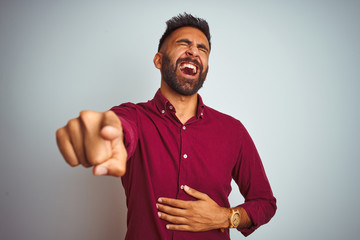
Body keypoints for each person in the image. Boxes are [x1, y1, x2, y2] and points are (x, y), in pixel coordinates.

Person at [56, 13, 277, 240]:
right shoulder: (134, 116)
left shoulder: (233, 131)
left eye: (203, 49)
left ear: (206, 67)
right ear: (159, 60)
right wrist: (102, 134)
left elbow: (265, 203)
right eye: (184, 44)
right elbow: (119, 127)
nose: (193, 51)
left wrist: (226, 217)